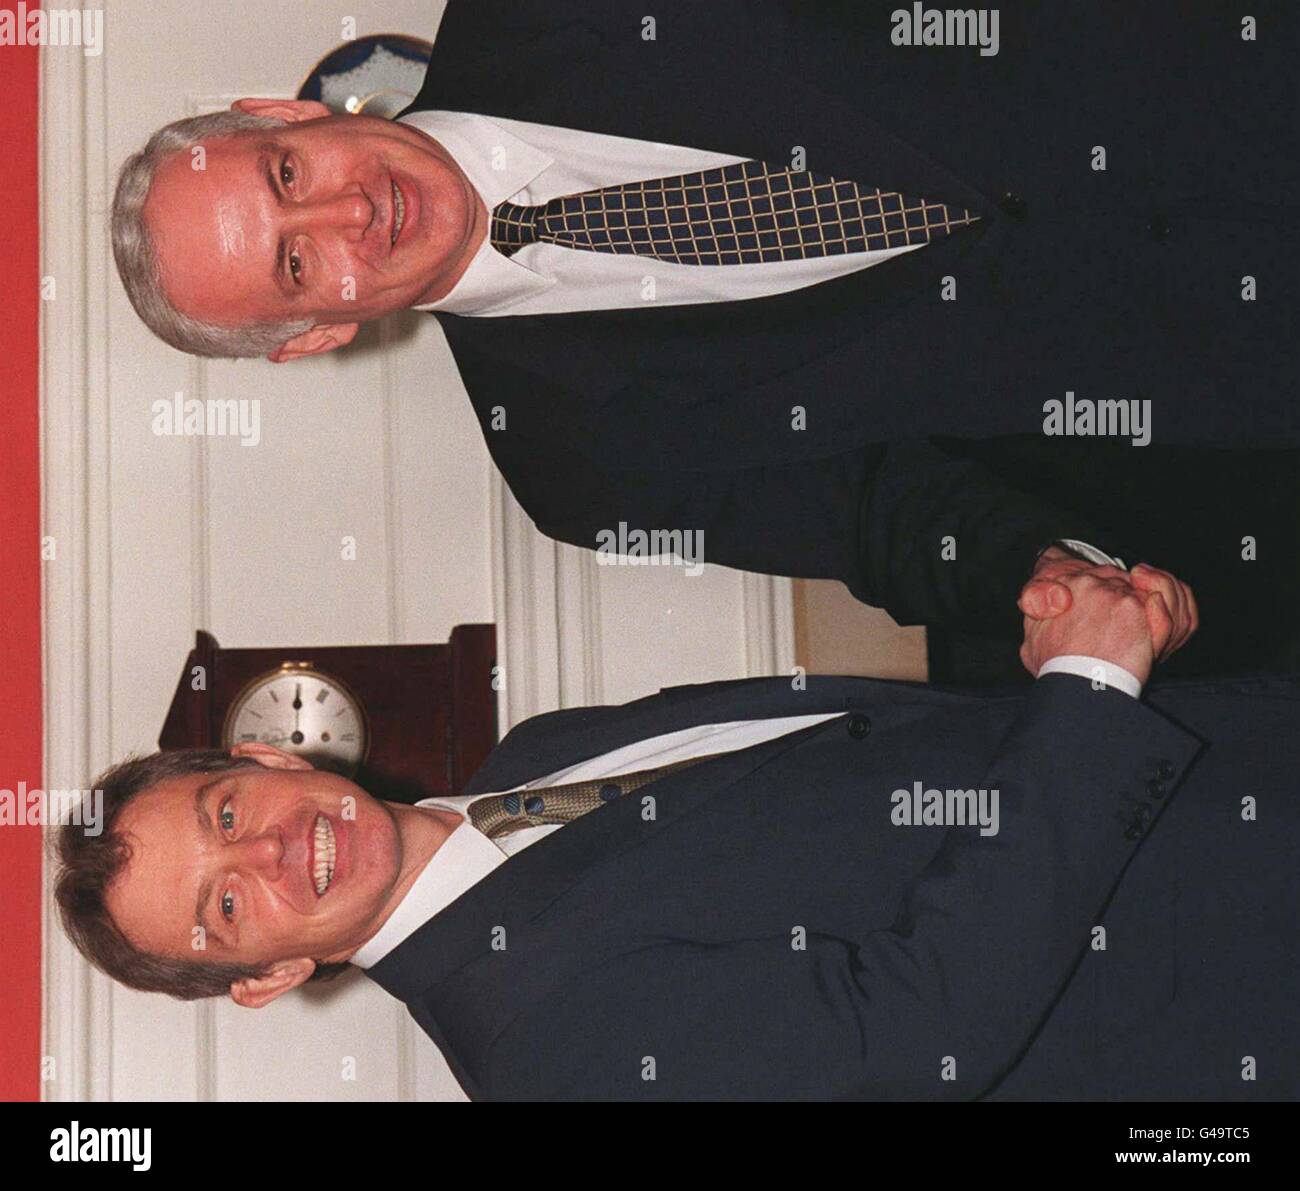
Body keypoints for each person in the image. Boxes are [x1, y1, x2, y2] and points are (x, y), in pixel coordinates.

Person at [108, 1, 1298, 672]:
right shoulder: (574, 471)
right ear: (312, 334)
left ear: (286, 112)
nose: (349, 212)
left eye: (286, 174)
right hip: (1229, 369)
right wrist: (1036, 572)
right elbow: (885, 516)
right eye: (297, 260)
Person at [54, 565, 1298, 1099]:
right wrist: (1088, 703)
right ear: (269, 977)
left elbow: (887, 752)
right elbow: (918, 1026)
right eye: (229, 909)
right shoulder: (542, 1066)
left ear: (266, 757)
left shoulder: (536, 754)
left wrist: (1082, 664)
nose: (268, 856)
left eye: (228, 815)